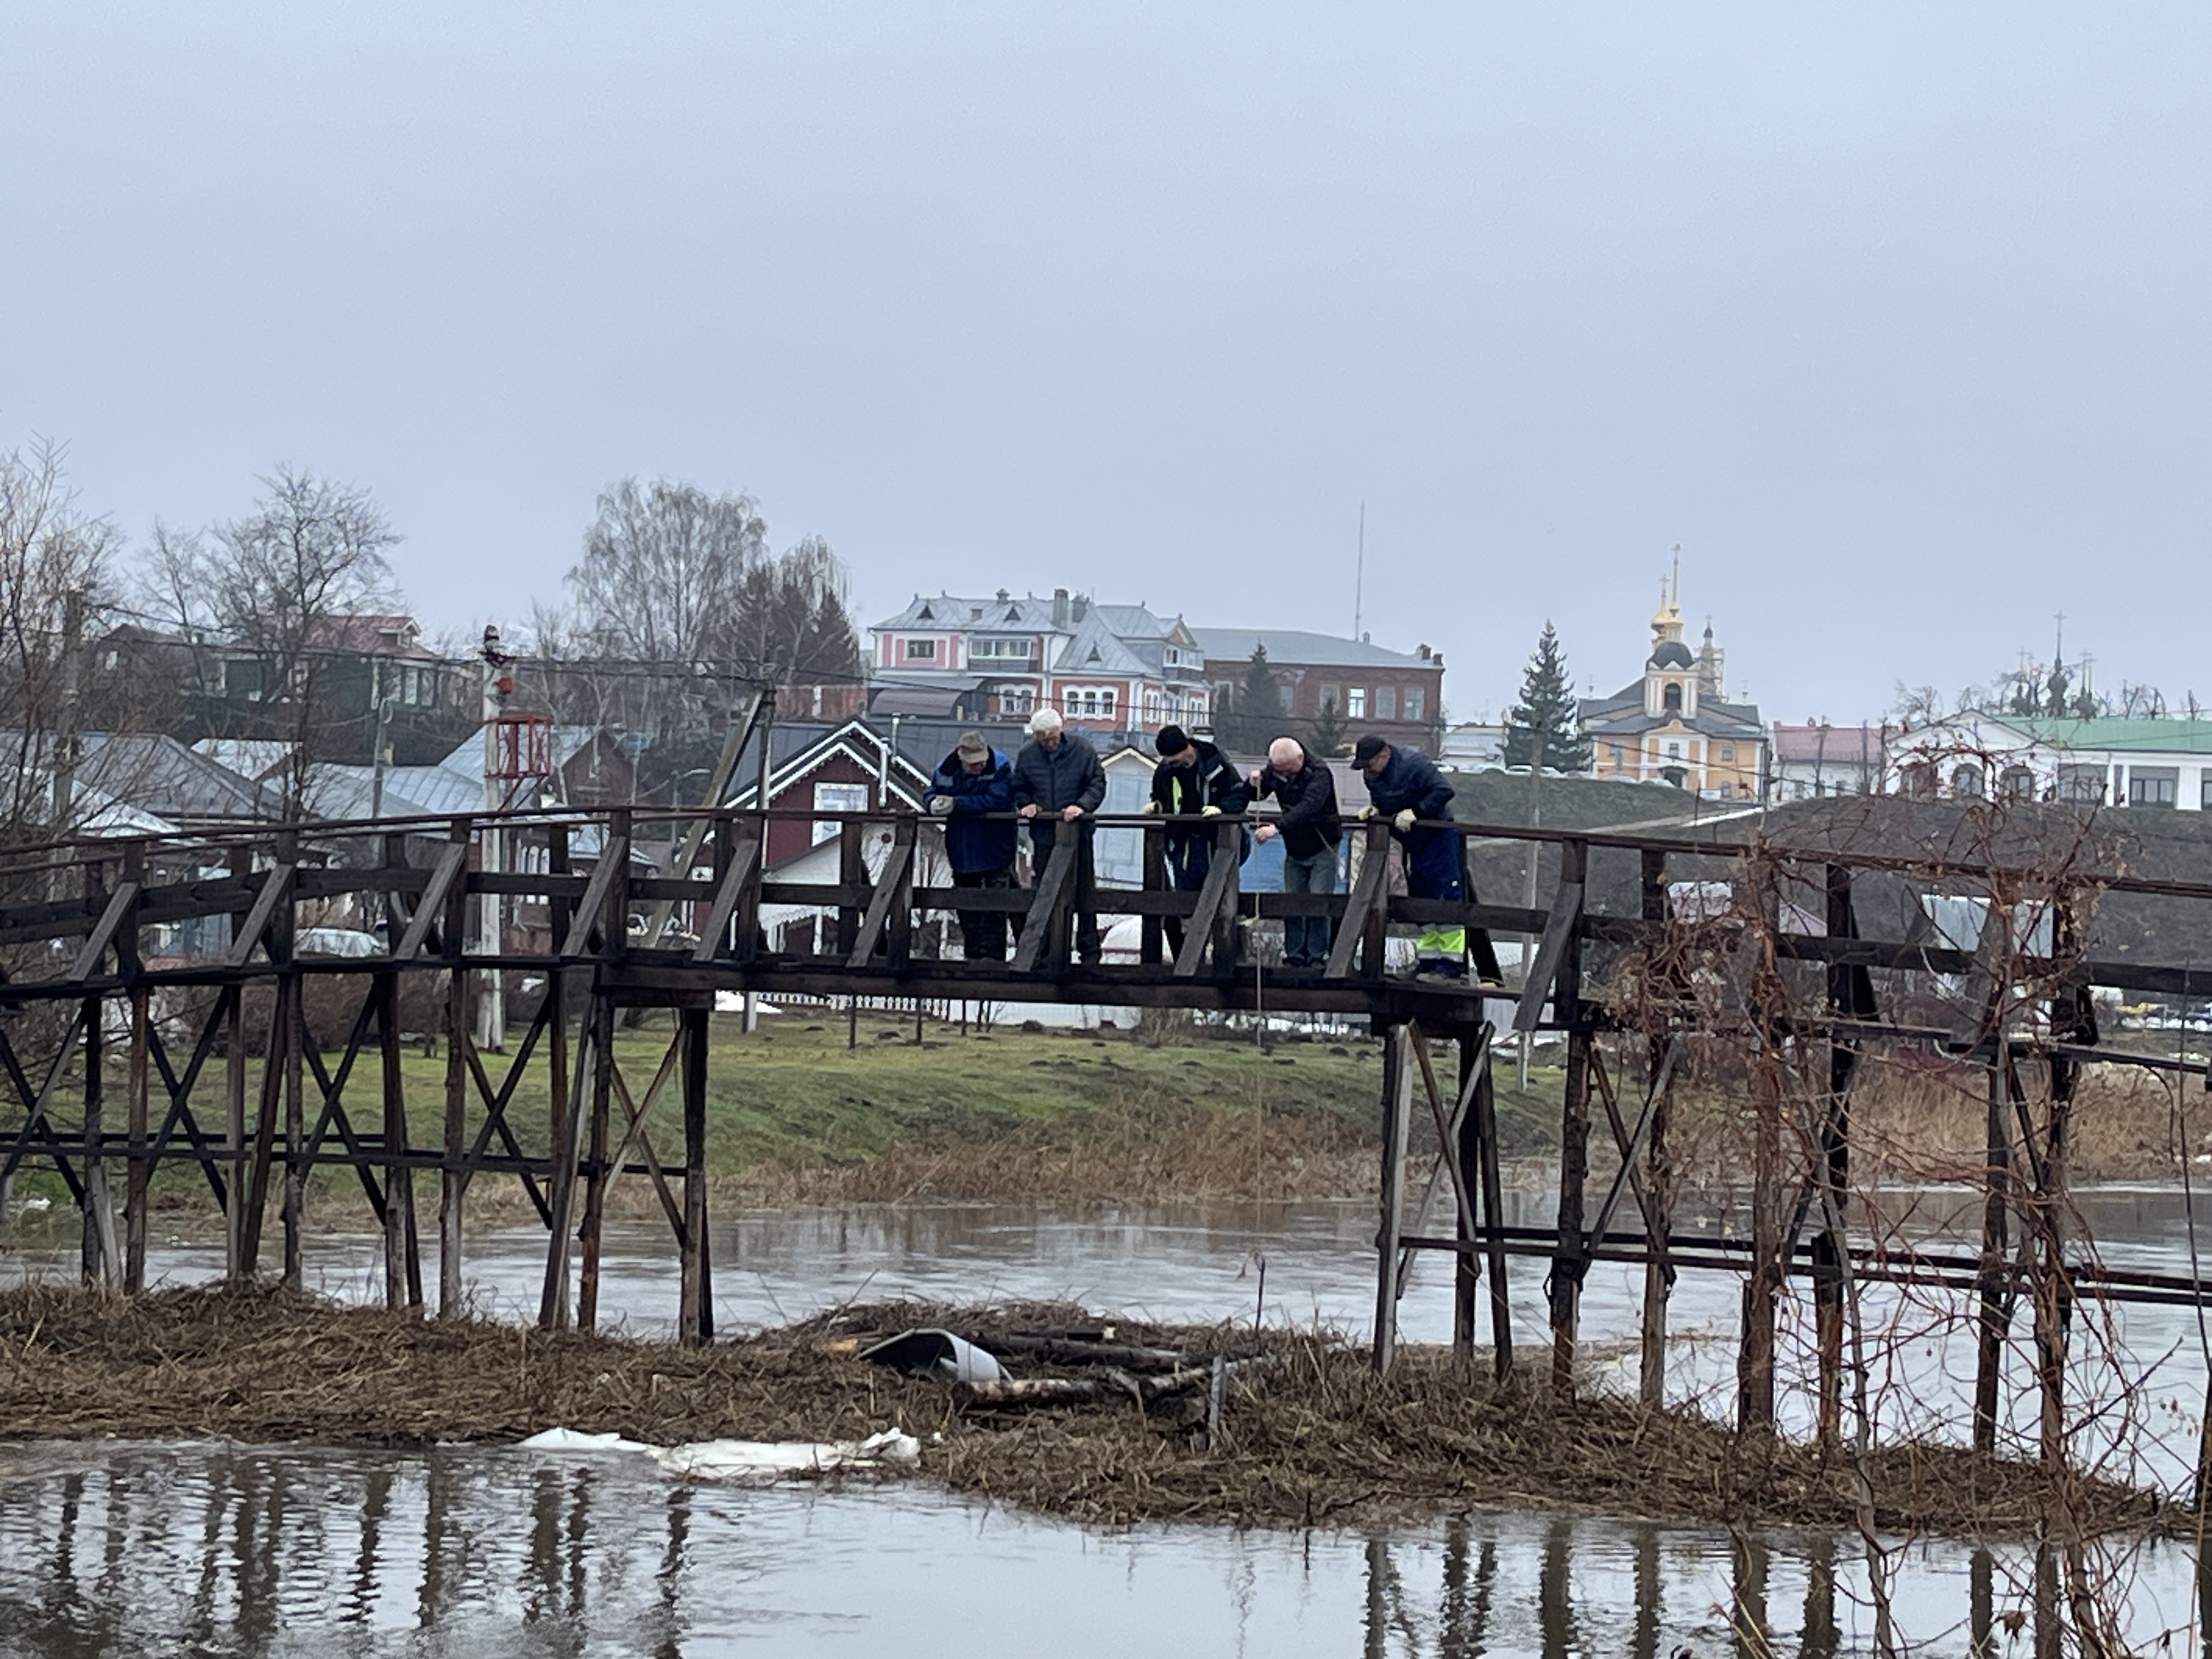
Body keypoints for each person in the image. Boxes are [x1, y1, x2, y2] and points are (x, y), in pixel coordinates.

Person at [1353, 733, 1465, 980]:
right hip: (1413, 842)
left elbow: (1444, 791)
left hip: (1438, 836)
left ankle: (1450, 966)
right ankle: (1428, 962)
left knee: (1446, 896)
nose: (1367, 771)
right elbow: (1383, 800)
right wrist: (1378, 812)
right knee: (1421, 896)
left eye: (1369, 764)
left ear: (1383, 755)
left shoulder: (1415, 765)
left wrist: (1418, 812)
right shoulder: (1372, 775)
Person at [1012, 707, 1107, 963]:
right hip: (1045, 834)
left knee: (1084, 891)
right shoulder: (1027, 755)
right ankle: (1048, 952)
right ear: (1036, 737)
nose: (1050, 744)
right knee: (1045, 892)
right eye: (1044, 740)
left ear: (1060, 730)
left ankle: (1089, 951)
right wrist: (1027, 804)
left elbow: (1097, 783)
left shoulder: (1083, 750)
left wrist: (1082, 805)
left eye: (1053, 738)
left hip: (1079, 833)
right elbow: (1019, 786)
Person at [1146, 723, 1251, 955]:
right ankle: (1191, 958)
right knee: (1187, 904)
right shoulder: (1164, 771)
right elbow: (1160, 795)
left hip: (1216, 844)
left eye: (1175, 760)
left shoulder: (1216, 764)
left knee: (1222, 901)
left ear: (1187, 749)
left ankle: (1229, 957)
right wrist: (1158, 807)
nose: (1171, 765)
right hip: (1183, 845)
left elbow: (1239, 795)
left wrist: (1222, 810)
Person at [1250, 736, 1341, 968]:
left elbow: (1310, 807)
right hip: (1295, 848)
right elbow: (1258, 793)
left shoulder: (1320, 774)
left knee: (1319, 902)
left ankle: (1317, 955)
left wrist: (1277, 828)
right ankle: (1295, 954)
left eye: (1288, 770)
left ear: (1300, 758)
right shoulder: (1277, 769)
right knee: (1292, 902)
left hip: (1323, 846)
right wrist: (1253, 783)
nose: (1284, 775)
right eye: (1279, 771)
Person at [926, 730, 1017, 961]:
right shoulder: (944, 771)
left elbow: (999, 800)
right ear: (961, 759)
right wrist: (932, 803)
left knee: (995, 906)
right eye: (973, 764)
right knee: (967, 907)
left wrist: (957, 804)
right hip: (963, 849)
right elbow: (930, 792)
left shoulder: (1001, 766)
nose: (979, 766)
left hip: (995, 846)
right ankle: (973, 956)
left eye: (981, 762)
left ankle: (993, 958)